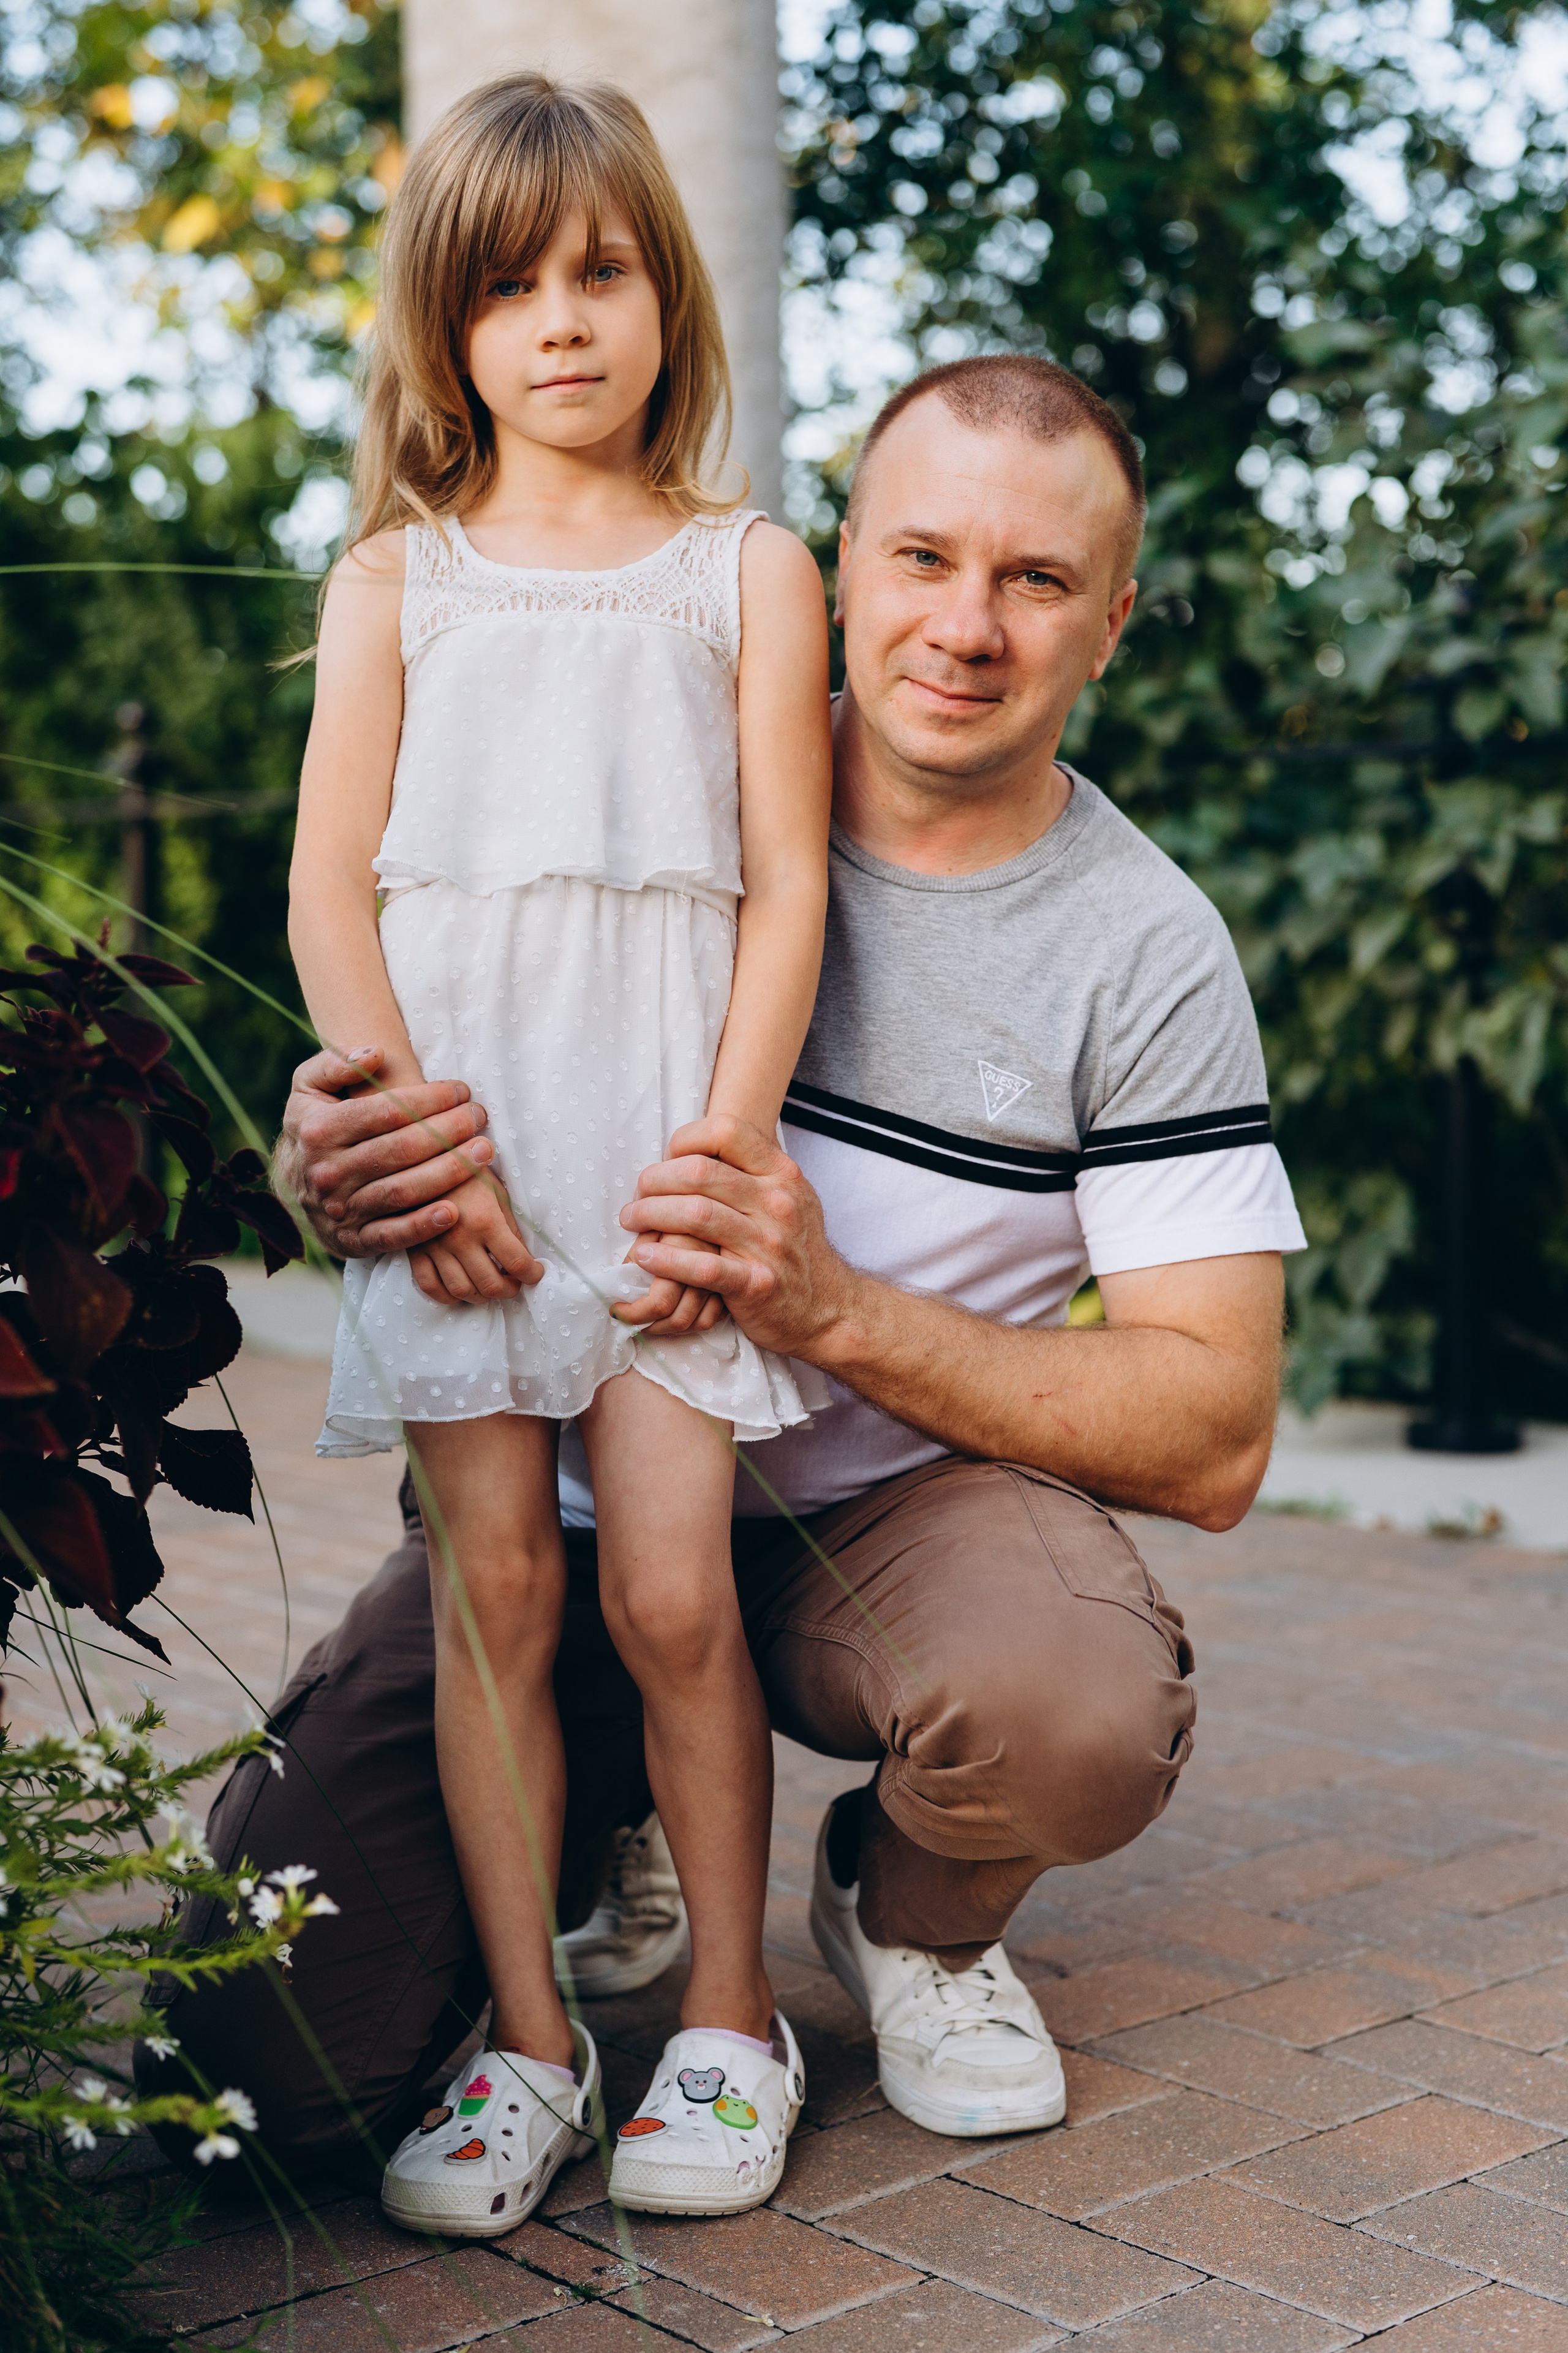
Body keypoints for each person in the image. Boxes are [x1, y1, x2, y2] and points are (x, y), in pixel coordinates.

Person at [140, 349, 1304, 2187]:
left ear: (1115, 623)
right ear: (840, 562)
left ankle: (898, 1916)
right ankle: (606, 1822)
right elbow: (392, 944)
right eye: (924, 558)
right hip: (570, 1510)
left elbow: (1219, 1427)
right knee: (257, 2052)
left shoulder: (1143, 945)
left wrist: (834, 1307)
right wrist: (342, 1148)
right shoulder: (632, 737)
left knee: (1066, 1707)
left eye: (1038, 580)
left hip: (885, 1520)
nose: (969, 626)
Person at [283, 70, 832, 2235]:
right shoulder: (395, 581)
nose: (562, 321)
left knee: (671, 1588)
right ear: (448, 322)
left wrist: (724, 1144)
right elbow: (335, 893)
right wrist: (415, 1141)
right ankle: (532, 2040)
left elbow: (785, 884)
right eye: (509, 285)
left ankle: (726, 2011)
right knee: (495, 1591)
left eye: (600, 271)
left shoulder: (747, 569)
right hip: (462, 1162)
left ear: (663, 295)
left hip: (657, 1155)